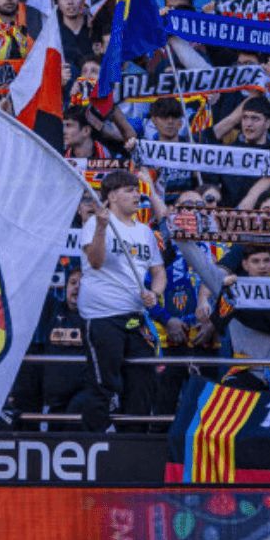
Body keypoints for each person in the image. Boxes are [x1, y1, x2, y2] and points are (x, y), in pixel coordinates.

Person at [73, 172, 165, 431]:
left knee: (143, 380)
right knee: (103, 382)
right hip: (103, 316)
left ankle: (134, 440)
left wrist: (155, 293)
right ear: (111, 197)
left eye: (137, 190)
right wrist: (102, 227)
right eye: (129, 190)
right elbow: (96, 261)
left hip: (135, 316)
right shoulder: (95, 224)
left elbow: (159, 272)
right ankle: (95, 442)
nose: (137, 195)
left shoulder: (146, 232)